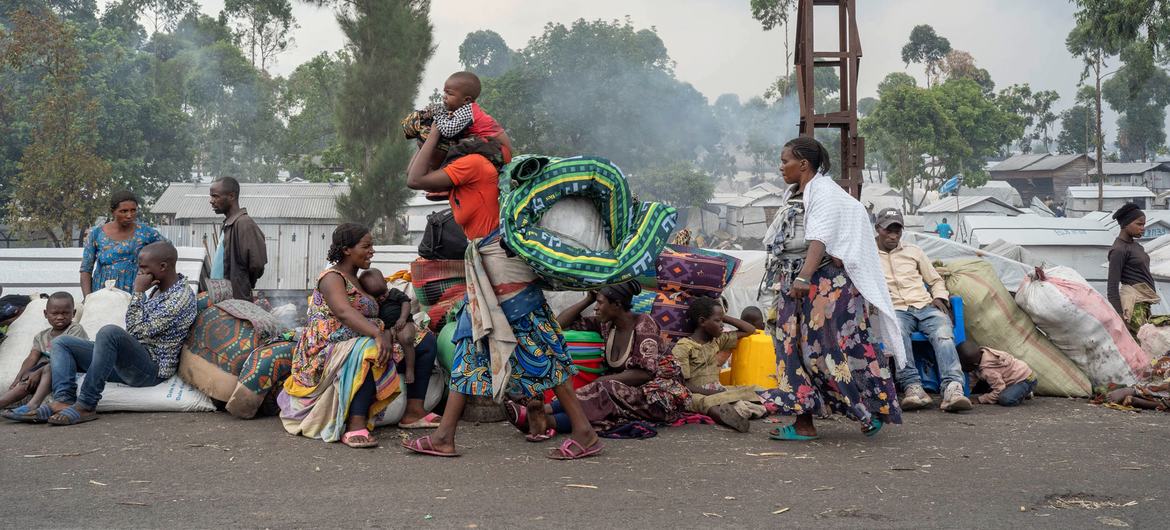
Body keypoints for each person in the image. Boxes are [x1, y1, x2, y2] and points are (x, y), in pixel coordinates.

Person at [404, 124, 602, 460]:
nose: (425, 155)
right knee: (470, 343)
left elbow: (416, 178)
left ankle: (584, 433)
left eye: (427, 147)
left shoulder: (472, 165)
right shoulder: (471, 170)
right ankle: (444, 437)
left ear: (448, 145)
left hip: (502, 270)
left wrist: (435, 131)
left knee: (541, 346)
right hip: (488, 268)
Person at [757, 136, 903, 441]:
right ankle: (805, 422)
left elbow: (819, 237)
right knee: (791, 350)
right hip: (794, 282)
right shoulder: (795, 193)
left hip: (818, 285)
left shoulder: (822, 191)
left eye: (786, 161)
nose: (781, 166)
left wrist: (803, 277)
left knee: (823, 351)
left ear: (804, 164)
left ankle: (865, 411)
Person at [33, 242, 196, 425]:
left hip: (150, 370)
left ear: (163, 266)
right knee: (61, 343)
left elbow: (136, 331)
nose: (140, 272)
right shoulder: (159, 289)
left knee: (109, 332)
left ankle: (86, 404)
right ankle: (63, 400)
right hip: (132, 360)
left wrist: (138, 292)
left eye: (143, 268)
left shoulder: (179, 298)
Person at [516, 281, 690, 439]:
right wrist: (588, 299)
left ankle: (544, 411)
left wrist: (600, 382)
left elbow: (643, 374)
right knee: (605, 405)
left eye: (600, 303)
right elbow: (558, 325)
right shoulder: (606, 325)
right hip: (622, 394)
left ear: (617, 304)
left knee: (604, 390)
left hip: (656, 397)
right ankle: (545, 421)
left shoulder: (644, 325)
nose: (596, 308)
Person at [278, 224, 400, 448]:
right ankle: (356, 425)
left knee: (424, 340)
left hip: (358, 338)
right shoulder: (332, 277)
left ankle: (414, 411)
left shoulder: (361, 280)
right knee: (371, 350)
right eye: (366, 246)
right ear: (346, 250)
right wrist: (377, 333)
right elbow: (344, 313)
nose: (372, 251)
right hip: (326, 348)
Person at [875, 208, 972, 412]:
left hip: (924, 305)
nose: (893, 236)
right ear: (878, 229)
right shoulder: (868, 255)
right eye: (888, 231)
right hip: (895, 310)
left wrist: (939, 297)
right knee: (898, 334)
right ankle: (913, 387)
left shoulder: (914, 251)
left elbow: (935, 279)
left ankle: (953, 389)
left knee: (944, 333)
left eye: (897, 231)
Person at [357, 268, 441, 429]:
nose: (382, 298)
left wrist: (402, 319)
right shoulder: (366, 298)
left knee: (409, 339)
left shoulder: (394, 293)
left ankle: (413, 394)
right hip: (383, 330)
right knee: (383, 349)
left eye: (383, 294)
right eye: (377, 297)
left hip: (401, 324)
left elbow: (406, 303)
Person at [672, 298, 761, 433]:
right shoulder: (684, 346)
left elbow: (750, 329)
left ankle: (736, 409)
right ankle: (729, 417)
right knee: (705, 402)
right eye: (717, 321)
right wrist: (711, 393)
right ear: (702, 321)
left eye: (722, 320)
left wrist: (722, 316)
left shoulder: (717, 341)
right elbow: (683, 384)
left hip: (717, 389)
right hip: (695, 392)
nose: (722, 325)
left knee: (753, 390)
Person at [0, 293, 88, 420]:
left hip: (71, 367)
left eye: (65, 313)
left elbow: (71, 356)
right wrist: (20, 376)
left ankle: (32, 405)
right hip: (45, 370)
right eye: (55, 313)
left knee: (48, 368)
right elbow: (32, 358)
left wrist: (38, 372)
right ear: (46, 314)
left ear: (73, 313)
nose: (60, 317)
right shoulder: (41, 336)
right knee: (25, 383)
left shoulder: (75, 329)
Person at [80, 191, 166, 297]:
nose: (129, 215)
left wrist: (151, 275)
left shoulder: (145, 232)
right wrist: (88, 299)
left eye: (133, 210)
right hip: (102, 295)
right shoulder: (97, 234)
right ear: (113, 212)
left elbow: (167, 251)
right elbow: (85, 270)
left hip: (133, 293)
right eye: (124, 211)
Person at [205, 177, 267, 301]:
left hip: (235, 300)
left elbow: (257, 264)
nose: (211, 201)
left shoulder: (244, 224)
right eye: (211, 197)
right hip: (222, 299)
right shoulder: (229, 224)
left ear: (231, 196)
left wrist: (242, 283)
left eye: (215, 196)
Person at [1107, 203, 1159, 334]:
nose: (1143, 228)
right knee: (1143, 347)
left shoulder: (1136, 246)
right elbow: (1112, 288)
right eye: (1139, 224)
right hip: (1133, 307)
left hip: (1143, 304)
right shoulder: (1119, 250)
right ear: (1125, 224)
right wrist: (1120, 318)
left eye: (1144, 225)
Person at [957, 341, 1036, 407]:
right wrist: (962, 395)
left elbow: (999, 389)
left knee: (1005, 399)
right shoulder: (981, 355)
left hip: (1026, 379)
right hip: (1013, 378)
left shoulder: (988, 371)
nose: (961, 368)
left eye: (962, 366)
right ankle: (1019, 392)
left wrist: (980, 399)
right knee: (991, 390)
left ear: (973, 364)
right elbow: (971, 381)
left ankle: (1023, 393)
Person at [1104, 355, 1170, 410]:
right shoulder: (1162, 358)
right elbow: (1147, 372)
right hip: (1151, 385)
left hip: (1164, 395)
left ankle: (1135, 400)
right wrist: (1155, 371)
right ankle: (1133, 393)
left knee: (1163, 403)